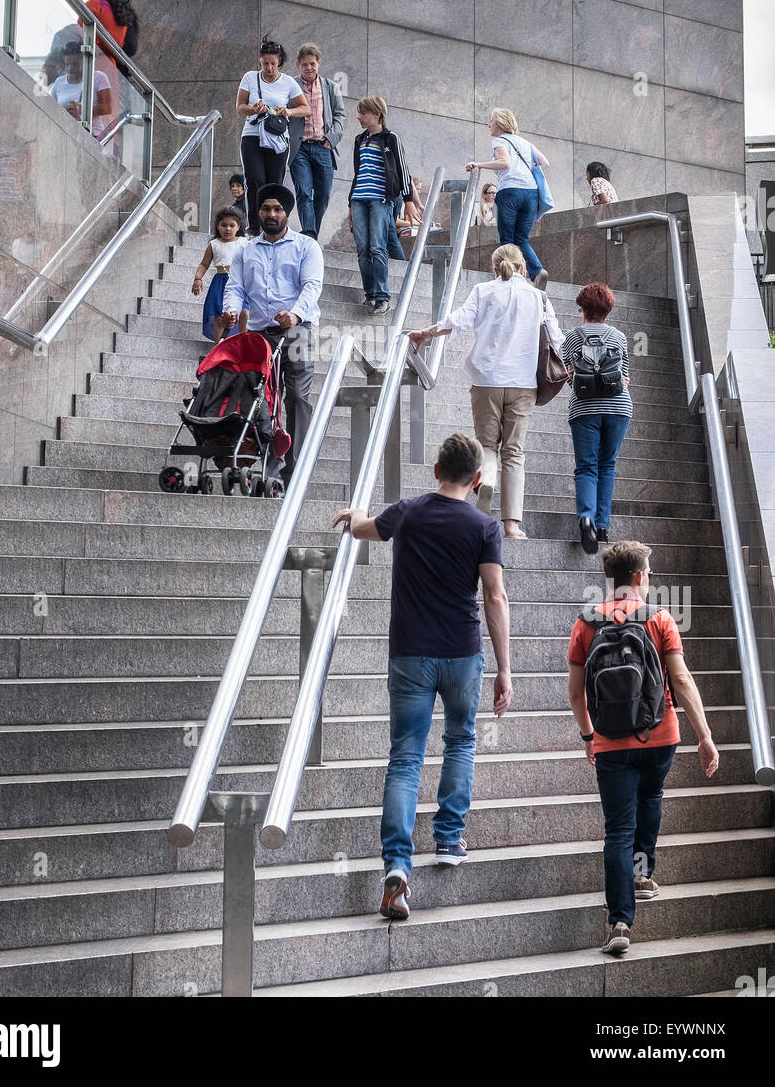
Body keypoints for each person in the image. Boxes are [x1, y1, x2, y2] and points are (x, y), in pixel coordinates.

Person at [332, 433, 512, 921]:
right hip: (461, 654)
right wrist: (504, 667)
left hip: (410, 654)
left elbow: (368, 528)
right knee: (460, 741)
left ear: (435, 470)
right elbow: (494, 596)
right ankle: (450, 840)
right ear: (476, 481)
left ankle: (396, 866)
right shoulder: (484, 526)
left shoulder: (407, 511)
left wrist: (353, 520)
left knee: (405, 758)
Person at [567, 540, 719, 956]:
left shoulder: (586, 622)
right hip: (661, 735)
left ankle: (619, 921)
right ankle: (642, 871)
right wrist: (704, 735)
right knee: (651, 794)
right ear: (638, 578)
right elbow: (682, 682)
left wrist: (587, 735)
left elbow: (575, 693)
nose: (649, 581)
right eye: (648, 575)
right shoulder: (660, 619)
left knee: (617, 828)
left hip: (609, 743)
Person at [408, 244, 563, 539]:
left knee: (488, 446)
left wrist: (425, 333)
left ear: (495, 269)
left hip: (486, 381)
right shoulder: (538, 298)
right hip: (523, 384)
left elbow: (458, 321)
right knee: (514, 452)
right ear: (521, 268)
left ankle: (486, 484)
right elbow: (557, 338)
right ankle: (512, 526)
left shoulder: (483, 291)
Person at [221, 183, 322, 482]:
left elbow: (311, 286)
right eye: (266, 208)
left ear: (287, 213)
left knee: (298, 399)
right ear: (258, 212)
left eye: (278, 209)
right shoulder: (245, 250)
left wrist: (295, 314)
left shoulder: (306, 246)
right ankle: (268, 465)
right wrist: (231, 309)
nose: (272, 214)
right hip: (259, 335)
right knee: (260, 398)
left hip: (298, 331)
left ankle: (297, 469)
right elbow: (236, 287)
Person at [561, 282, 632, 554]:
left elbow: (571, 377)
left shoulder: (572, 336)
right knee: (607, 465)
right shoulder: (619, 337)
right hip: (619, 408)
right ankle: (602, 526)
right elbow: (624, 376)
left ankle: (586, 519)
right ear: (608, 310)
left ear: (583, 309)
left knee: (586, 466)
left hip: (584, 409)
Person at [348, 96, 421, 315]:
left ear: (377, 114)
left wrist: (408, 201)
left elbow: (402, 170)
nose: (359, 117)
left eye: (363, 113)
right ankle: (370, 294)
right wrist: (350, 204)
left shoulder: (391, 139)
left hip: (381, 199)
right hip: (359, 199)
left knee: (377, 246)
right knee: (362, 248)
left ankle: (382, 296)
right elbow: (357, 172)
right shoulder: (359, 139)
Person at [466, 107, 551, 289]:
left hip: (509, 192)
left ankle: (510, 279)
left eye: (491, 121)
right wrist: (525, 174)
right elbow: (545, 163)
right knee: (521, 239)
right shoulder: (525, 143)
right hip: (531, 194)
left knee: (507, 238)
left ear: (500, 123)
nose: (488, 125)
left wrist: (478, 164)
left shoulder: (499, 141)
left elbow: (505, 162)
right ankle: (537, 271)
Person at [236, 38, 309, 236]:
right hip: (252, 135)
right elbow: (240, 106)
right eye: (265, 63)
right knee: (255, 179)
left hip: (277, 139)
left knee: (274, 183)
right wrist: (253, 108)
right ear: (260, 62)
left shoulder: (288, 82)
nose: (268, 68)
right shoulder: (250, 78)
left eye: (272, 64)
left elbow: (305, 108)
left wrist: (287, 111)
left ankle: (273, 225)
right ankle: (254, 226)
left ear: (279, 62)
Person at [287, 43, 346, 241]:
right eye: (304, 64)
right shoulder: (291, 86)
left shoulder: (331, 87)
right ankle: (310, 236)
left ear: (319, 63)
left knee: (322, 196)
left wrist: (331, 139)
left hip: (323, 147)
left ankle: (311, 235)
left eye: (312, 63)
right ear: (297, 65)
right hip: (300, 148)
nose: (309, 68)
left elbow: (340, 116)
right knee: (304, 193)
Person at [80, 0, 140, 140]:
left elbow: (78, 33)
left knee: (87, 113)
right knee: (107, 120)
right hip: (111, 69)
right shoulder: (122, 16)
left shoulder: (94, 5)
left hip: (92, 64)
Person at [191, 208, 250, 342]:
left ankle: (244, 341)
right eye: (224, 225)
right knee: (219, 315)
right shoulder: (214, 244)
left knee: (244, 312)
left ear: (238, 227)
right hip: (220, 282)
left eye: (231, 225)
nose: (227, 229)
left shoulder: (244, 242)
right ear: (217, 226)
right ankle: (218, 346)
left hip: (240, 281)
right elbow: (204, 264)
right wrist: (198, 278)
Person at [49, 44, 112, 140]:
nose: (70, 68)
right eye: (67, 64)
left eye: (75, 64)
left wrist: (81, 110)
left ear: (85, 61)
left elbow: (107, 108)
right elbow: (51, 108)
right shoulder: (59, 81)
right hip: (65, 133)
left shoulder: (98, 77)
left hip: (92, 134)